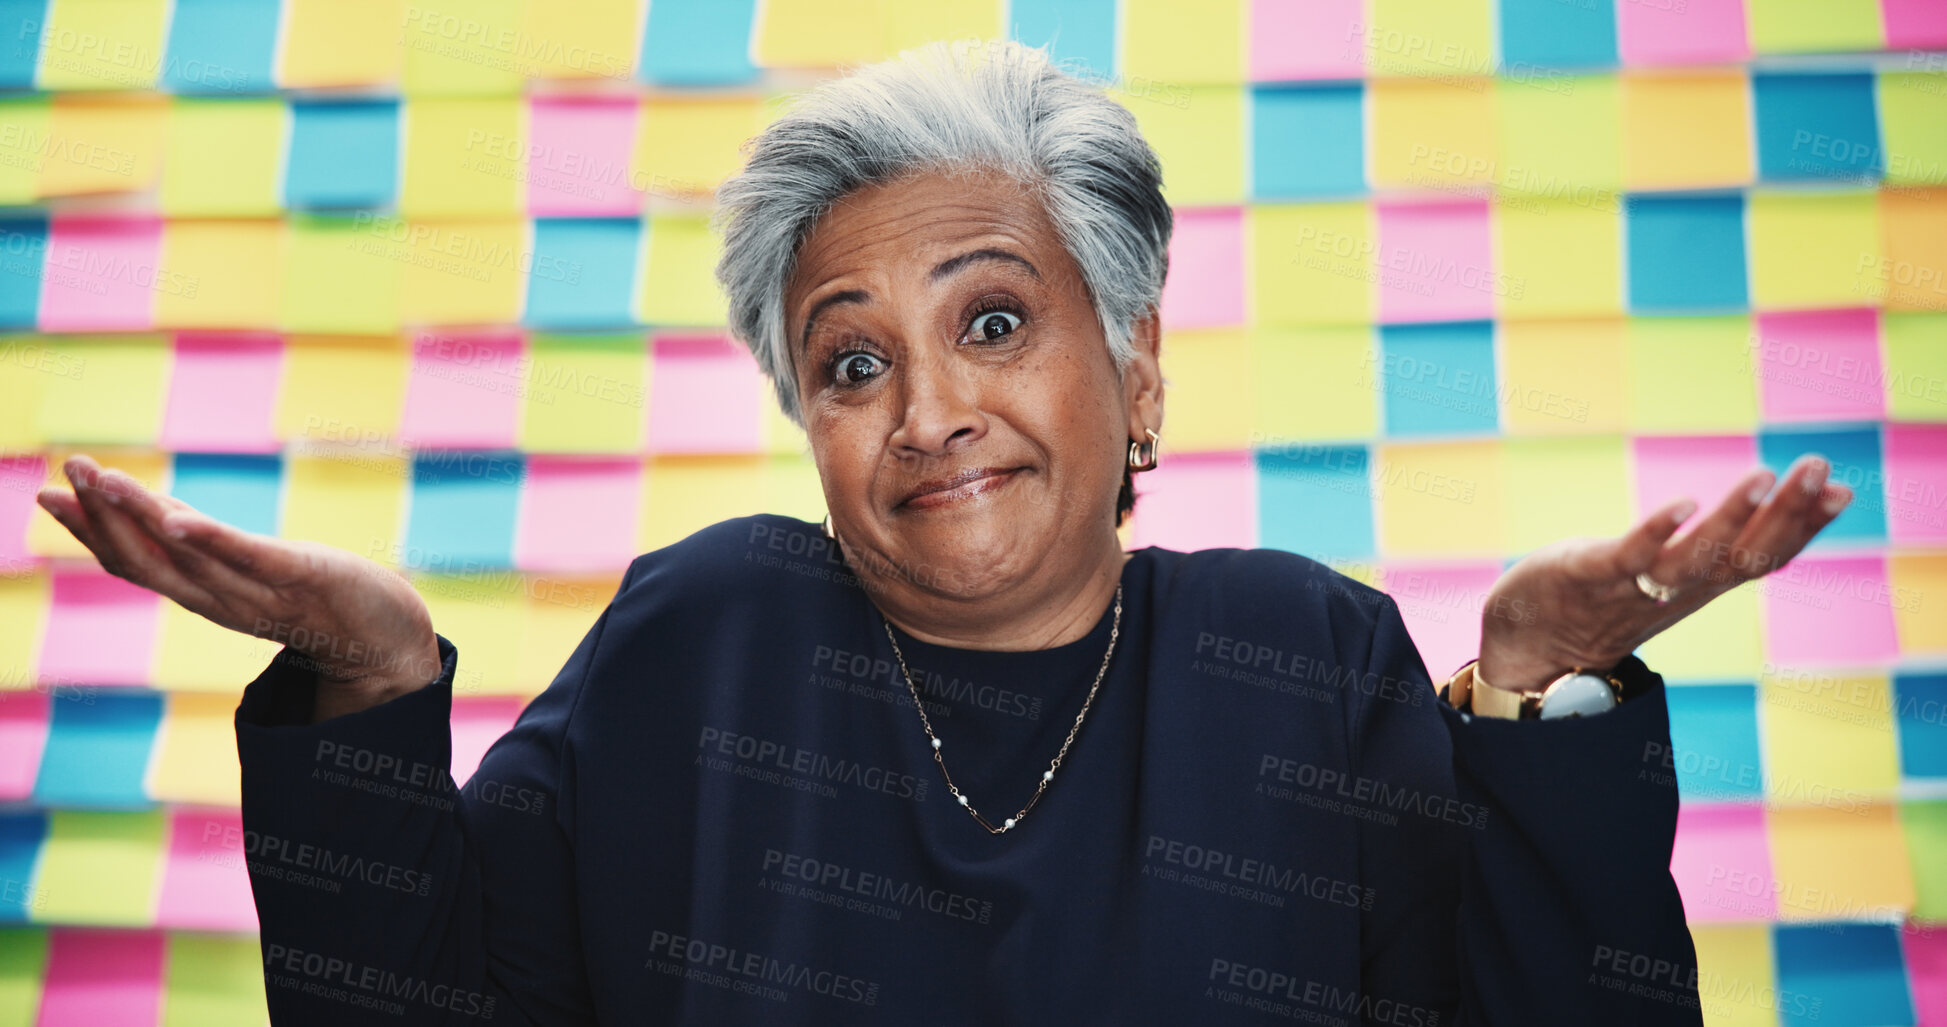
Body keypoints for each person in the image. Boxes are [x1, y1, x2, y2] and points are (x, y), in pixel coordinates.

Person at [36, 40, 1851, 1026]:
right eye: (850, 361)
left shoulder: (1303, 659)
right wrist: (362, 689)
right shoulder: (703, 638)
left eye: (993, 321)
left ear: (1135, 368)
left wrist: (1536, 701)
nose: (927, 413)